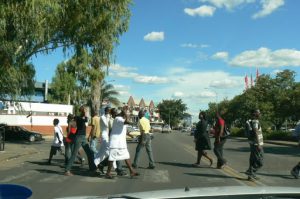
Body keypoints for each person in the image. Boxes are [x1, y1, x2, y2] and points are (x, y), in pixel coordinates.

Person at [105, 110, 139, 179]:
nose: (128, 114)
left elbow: (124, 130)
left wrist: (130, 135)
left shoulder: (120, 119)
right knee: (112, 158)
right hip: (116, 143)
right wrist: (127, 116)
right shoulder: (118, 119)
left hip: (121, 143)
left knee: (126, 157)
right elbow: (126, 122)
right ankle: (108, 173)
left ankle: (131, 171)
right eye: (126, 113)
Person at [65, 106, 96, 176]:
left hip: (83, 138)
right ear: (83, 111)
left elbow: (86, 120)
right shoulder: (78, 117)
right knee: (74, 154)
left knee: (90, 153)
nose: (87, 111)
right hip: (79, 138)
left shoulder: (81, 117)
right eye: (85, 110)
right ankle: (67, 170)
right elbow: (85, 120)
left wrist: (86, 114)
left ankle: (92, 168)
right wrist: (86, 113)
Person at [245, 109, 264, 181]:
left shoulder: (250, 121)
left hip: (252, 143)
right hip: (256, 144)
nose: (260, 114)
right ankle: (251, 172)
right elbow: (256, 131)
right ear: (255, 113)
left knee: (253, 160)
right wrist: (259, 144)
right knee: (260, 161)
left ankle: (251, 175)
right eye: (259, 112)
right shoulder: (255, 121)